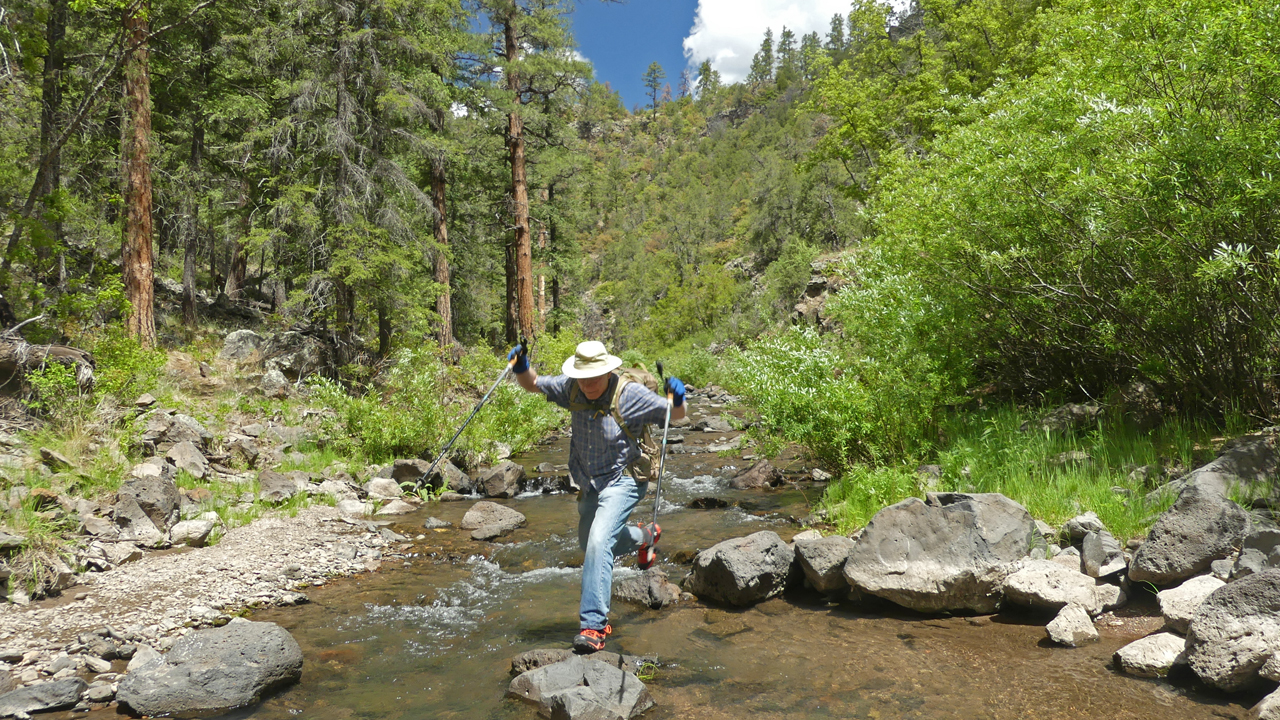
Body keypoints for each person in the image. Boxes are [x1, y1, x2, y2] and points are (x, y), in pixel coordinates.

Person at [510, 340, 686, 653]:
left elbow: (677, 415)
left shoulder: (629, 394)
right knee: (589, 542)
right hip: (590, 481)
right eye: (584, 376)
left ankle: (594, 625)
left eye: (595, 376)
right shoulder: (571, 388)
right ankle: (645, 537)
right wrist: (521, 366)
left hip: (625, 479)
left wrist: (678, 397)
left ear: (607, 370)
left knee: (598, 542)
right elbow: (532, 384)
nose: (589, 383)